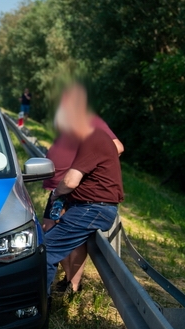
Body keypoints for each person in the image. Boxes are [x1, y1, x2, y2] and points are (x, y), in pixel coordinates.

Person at [42, 85, 124, 293]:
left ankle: (40, 302)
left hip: (92, 207)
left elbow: (70, 181)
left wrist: (57, 193)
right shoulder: (89, 137)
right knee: (51, 243)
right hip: (86, 205)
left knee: (46, 250)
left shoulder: (93, 138)